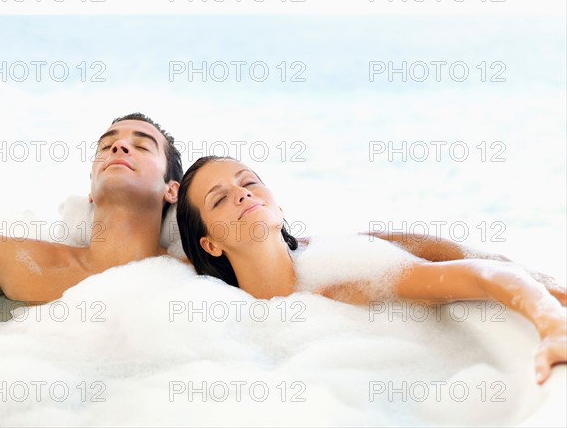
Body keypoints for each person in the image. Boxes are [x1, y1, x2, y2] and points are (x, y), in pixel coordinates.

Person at [176, 156, 567, 385]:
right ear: (210, 244)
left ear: (279, 209)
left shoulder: (341, 280)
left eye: (249, 182)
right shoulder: (213, 309)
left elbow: (480, 275)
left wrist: (553, 324)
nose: (243, 193)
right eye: (221, 199)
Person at [0, 113, 183, 304]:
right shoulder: (26, 262)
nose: (119, 147)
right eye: (107, 147)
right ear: (91, 189)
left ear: (172, 191)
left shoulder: (193, 279)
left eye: (142, 146)